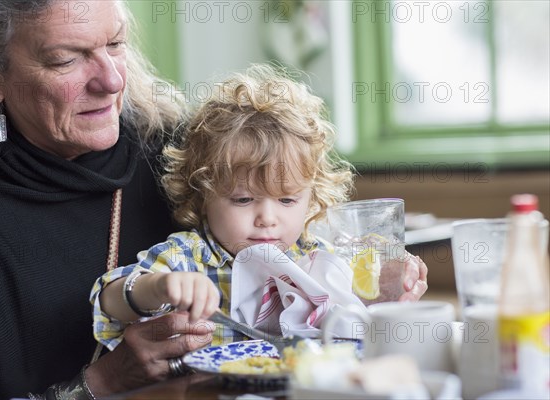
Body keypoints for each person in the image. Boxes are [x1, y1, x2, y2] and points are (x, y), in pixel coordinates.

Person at [0, 1, 216, 399]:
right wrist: (103, 382)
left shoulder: (187, 159)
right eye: (65, 60)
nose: (111, 81)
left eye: (115, 43)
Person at [90, 64, 429, 348]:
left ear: (312, 196)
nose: (267, 218)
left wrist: (391, 297)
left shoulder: (319, 261)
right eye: (243, 199)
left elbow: (357, 324)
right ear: (202, 192)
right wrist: (157, 288)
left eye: (287, 200)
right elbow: (109, 301)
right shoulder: (186, 258)